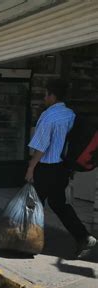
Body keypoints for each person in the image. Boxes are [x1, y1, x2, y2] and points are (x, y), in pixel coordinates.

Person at [26, 79, 95, 259]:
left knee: (33, 205)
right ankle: (83, 237)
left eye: (45, 94)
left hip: (46, 168)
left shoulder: (49, 116)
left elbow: (40, 147)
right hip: (62, 169)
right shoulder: (70, 115)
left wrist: (31, 168)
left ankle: (27, 242)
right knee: (58, 203)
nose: (44, 98)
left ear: (52, 95)